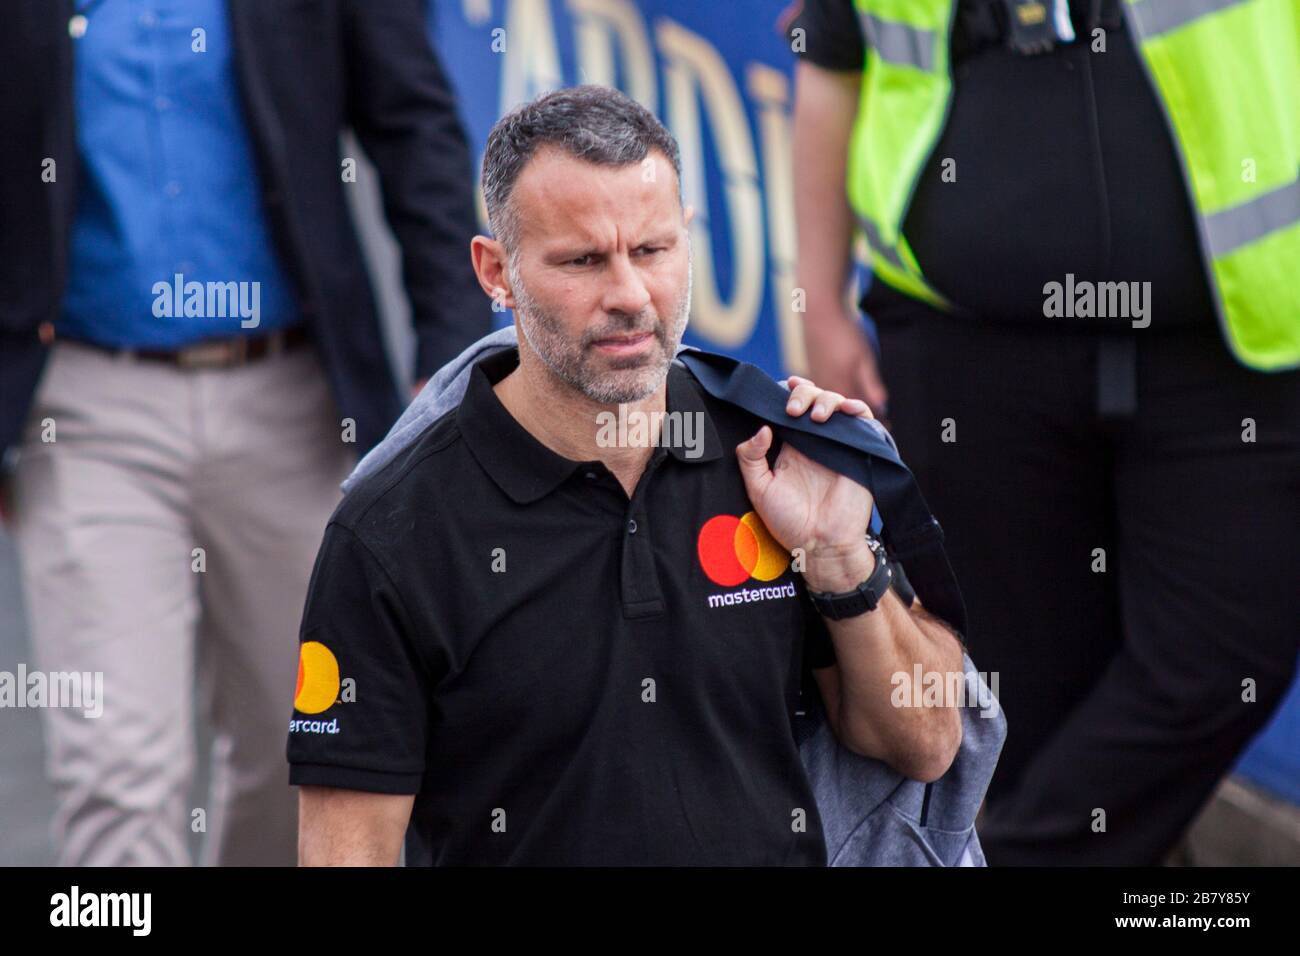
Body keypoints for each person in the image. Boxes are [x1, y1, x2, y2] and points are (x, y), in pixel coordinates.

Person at [289, 85, 966, 866]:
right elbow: (348, 853)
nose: (628, 295)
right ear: (495, 272)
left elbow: (929, 745)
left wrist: (840, 559)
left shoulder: (773, 455)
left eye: (652, 251)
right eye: (582, 260)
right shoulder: (390, 532)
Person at [785, 0, 1300, 864]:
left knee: (1218, 660)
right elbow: (833, 60)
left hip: (1236, 348)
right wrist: (818, 302)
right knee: (1024, 699)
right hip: (971, 352)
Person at [0, 0, 487, 865]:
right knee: (119, 774)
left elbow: (415, 126)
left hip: (297, 404)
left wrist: (445, 356)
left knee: (306, 751)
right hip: (82, 409)